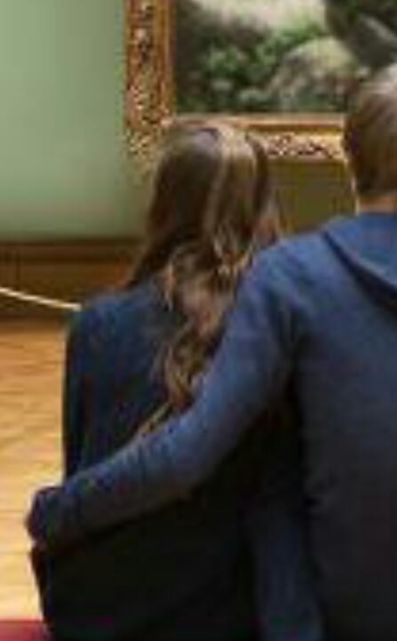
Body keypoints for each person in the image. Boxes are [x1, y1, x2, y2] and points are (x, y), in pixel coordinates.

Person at [28, 62, 397, 641]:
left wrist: (59, 509)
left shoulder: (293, 276)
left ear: (348, 156)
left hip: (353, 608)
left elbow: (188, 452)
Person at [28, 123, 321, 641]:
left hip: (99, 610)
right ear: (264, 207)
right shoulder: (283, 331)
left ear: (162, 206)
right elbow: (282, 505)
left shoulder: (98, 323)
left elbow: (83, 468)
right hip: (231, 616)